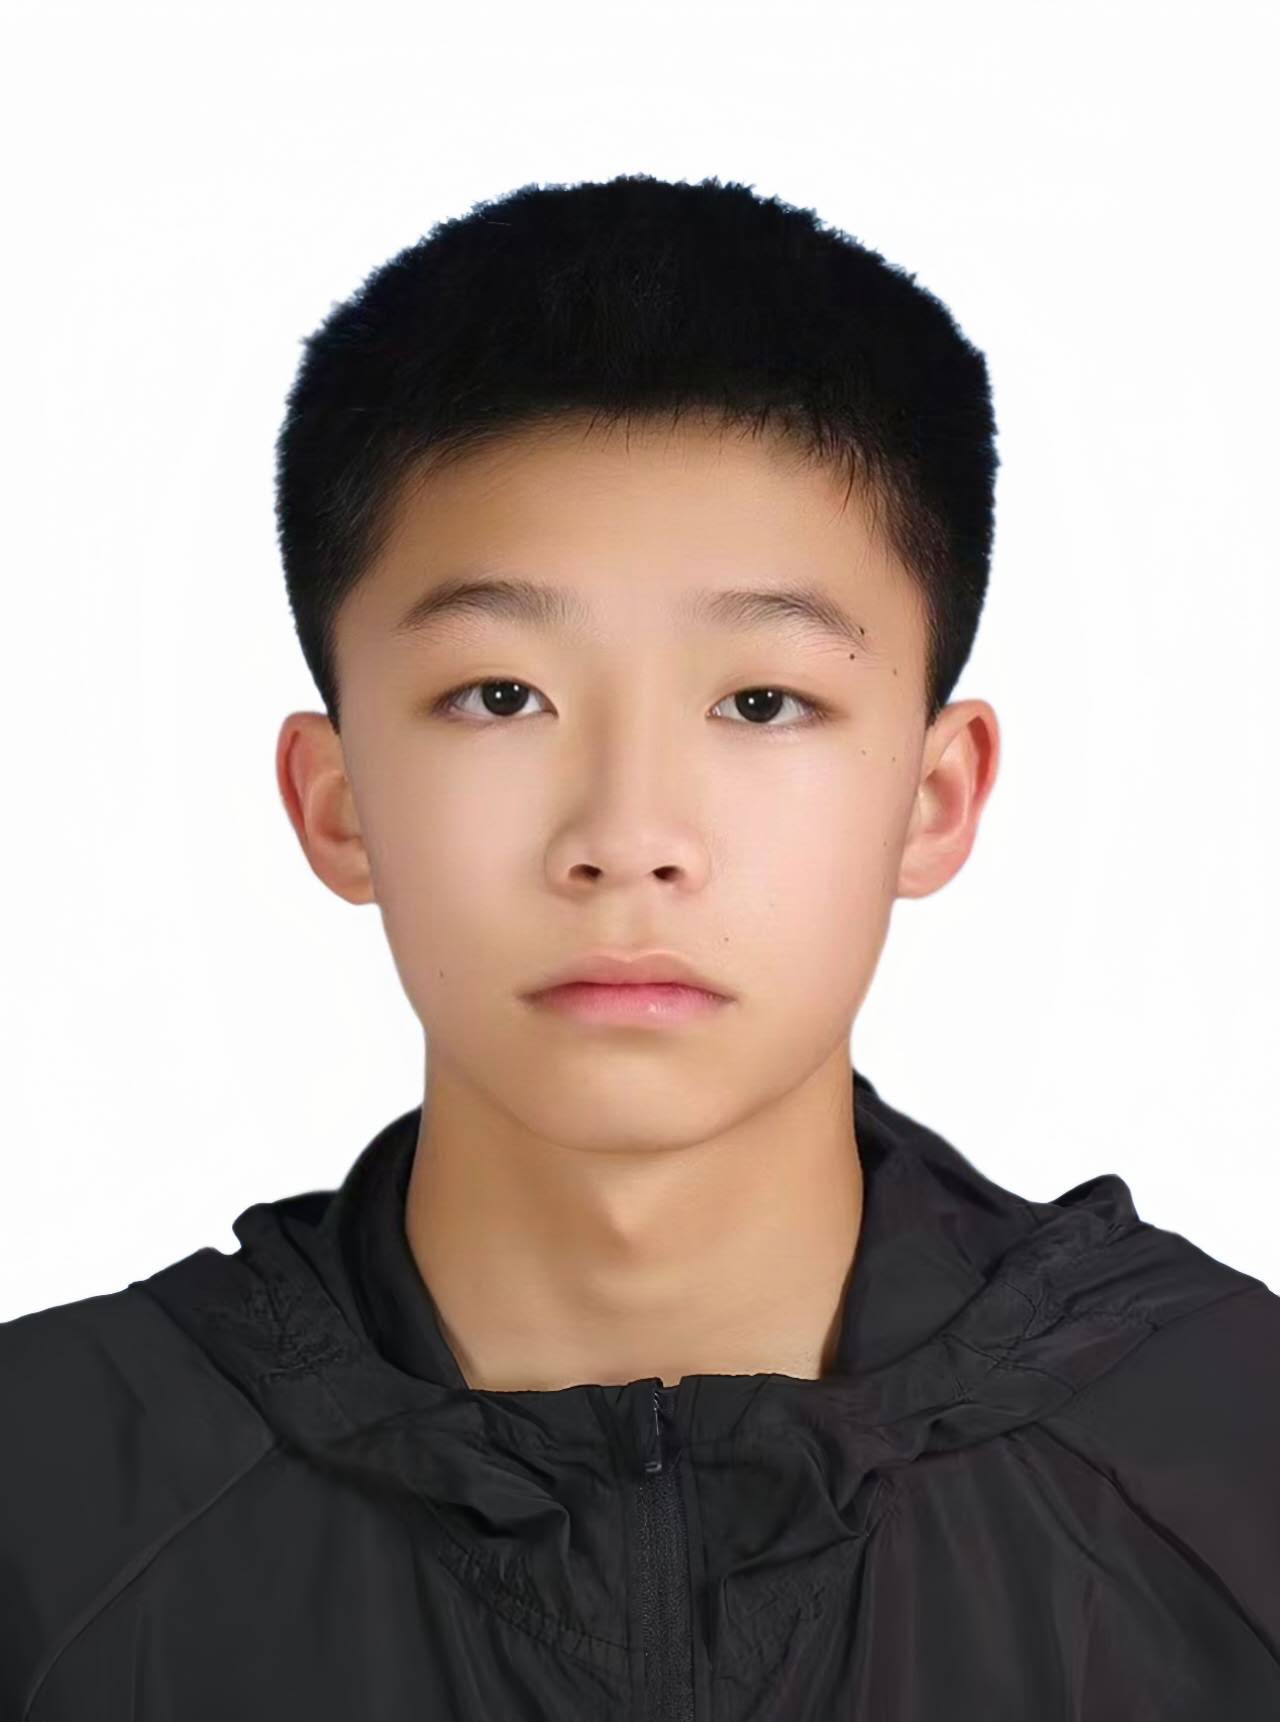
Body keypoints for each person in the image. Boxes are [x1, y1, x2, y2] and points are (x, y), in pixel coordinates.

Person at [3, 172, 1277, 1720]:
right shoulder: (49, 1509)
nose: (626, 834)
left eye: (762, 701)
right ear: (335, 803)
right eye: (500, 696)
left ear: (936, 798)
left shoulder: (1234, 1468)